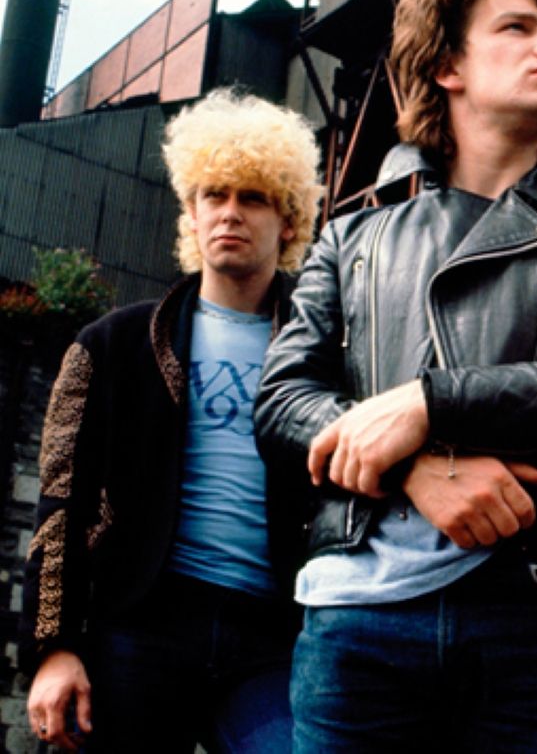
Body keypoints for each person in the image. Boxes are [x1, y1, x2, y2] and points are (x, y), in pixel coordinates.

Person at [253, 0, 537, 752]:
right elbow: (281, 402)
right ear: (448, 65)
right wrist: (417, 470)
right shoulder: (352, 236)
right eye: (517, 28)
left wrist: (428, 406)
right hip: (358, 628)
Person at [20, 89, 322, 751]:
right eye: (214, 195)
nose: (230, 212)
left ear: (289, 221)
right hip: (143, 621)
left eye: (254, 198)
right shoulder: (111, 346)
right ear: (191, 212)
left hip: (275, 639)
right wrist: (53, 648)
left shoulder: (325, 356)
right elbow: (61, 505)